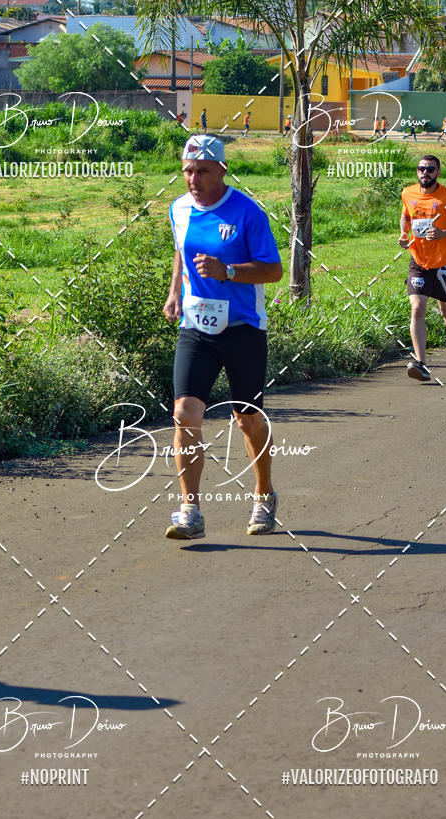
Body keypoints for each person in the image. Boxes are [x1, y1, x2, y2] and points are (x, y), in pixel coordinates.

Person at [163, 135, 283, 539]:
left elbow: (273, 271)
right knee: (184, 413)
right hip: (195, 327)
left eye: (202, 171)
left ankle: (264, 495)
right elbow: (181, 250)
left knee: (247, 419)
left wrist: (228, 272)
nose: (193, 179)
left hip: (243, 327)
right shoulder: (178, 209)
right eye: (187, 171)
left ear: (221, 171)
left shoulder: (248, 213)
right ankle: (190, 511)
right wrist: (174, 292)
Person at [399, 155, 446, 381]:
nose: (425, 173)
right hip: (419, 262)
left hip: (444, 263)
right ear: (417, 172)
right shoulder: (408, 193)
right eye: (421, 169)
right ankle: (421, 364)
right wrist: (403, 234)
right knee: (417, 309)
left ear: (438, 172)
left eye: (430, 169)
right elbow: (405, 216)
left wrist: (443, 234)